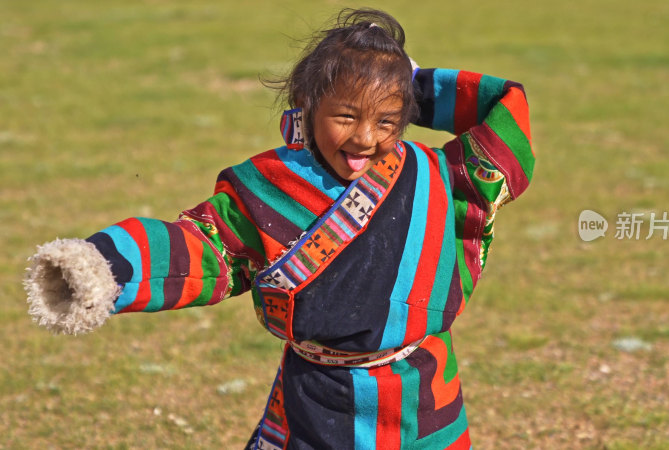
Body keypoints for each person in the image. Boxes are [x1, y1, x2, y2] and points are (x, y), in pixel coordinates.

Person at [24, 8, 535, 449]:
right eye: (346, 114)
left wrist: (401, 78)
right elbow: (205, 248)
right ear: (309, 105)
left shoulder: (439, 179)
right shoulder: (271, 187)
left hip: (425, 397)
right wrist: (102, 267)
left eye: (386, 121)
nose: (363, 138)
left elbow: (506, 112)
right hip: (319, 401)